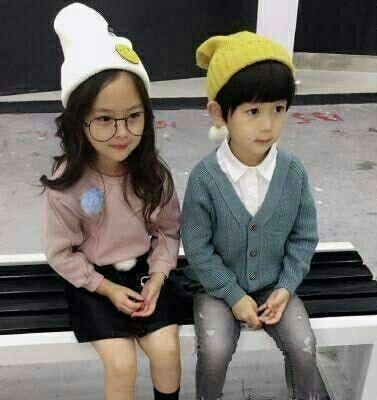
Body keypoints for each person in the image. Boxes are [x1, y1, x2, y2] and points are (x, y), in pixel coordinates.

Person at [40, 3, 181, 399]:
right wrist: (105, 288)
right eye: (104, 119)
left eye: (133, 116)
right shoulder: (66, 185)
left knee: (167, 350)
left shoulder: (152, 174)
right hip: (93, 282)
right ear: (77, 122)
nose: (122, 132)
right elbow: (60, 252)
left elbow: (168, 231)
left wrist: (158, 277)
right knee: (122, 364)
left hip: (145, 276)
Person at [181, 31, 330, 400]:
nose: (268, 124)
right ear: (219, 113)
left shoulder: (292, 172)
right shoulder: (205, 177)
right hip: (216, 288)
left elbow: (304, 237)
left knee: (304, 346)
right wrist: (233, 295)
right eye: (253, 111)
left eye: (278, 109)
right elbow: (197, 247)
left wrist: (286, 286)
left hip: (274, 284)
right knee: (215, 350)